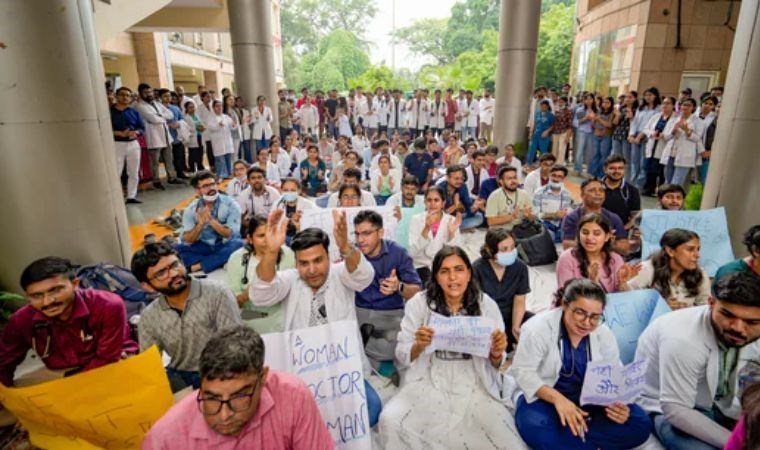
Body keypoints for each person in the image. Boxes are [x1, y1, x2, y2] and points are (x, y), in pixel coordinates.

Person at [377, 246, 526, 449]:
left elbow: (496, 363)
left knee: (501, 438)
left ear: (469, 273)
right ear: (436, 276)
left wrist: (497, 352)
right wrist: (418, 346)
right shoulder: (419, 305)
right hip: (430, 379)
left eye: (459, 269)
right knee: (391, 420)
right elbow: (402, 355)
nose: (453, 278)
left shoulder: (486, 305)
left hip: (474, 381)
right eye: (444, 271)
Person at [249, 210, 383, 424]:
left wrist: (347, 247)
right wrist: (271, 252)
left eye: (318, 260)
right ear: (296, 264)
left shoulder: (340, 273)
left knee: (372, 410)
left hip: (343, 371)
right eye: (304, 263)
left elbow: (364, 276)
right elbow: (260, 294)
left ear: (328, 257)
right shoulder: (291, 280)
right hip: (302, 373)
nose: (312, 270)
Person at [510, 279, 653, 450]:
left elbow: (612, 374)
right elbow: (523, 373)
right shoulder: (537, 329)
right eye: (580, 313)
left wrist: (618, 405)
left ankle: (576, 438)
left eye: (595, 317)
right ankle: (578, 438)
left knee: (640, 423)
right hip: (545, 399)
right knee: (537, 425)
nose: (587, 323)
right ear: (564, 304)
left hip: (588, 400)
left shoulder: (603, 333)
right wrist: (559, 400)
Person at [141, 326, 333, 449]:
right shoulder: (165, 438)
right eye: (212, 398)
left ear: (263, 377)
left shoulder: (292, 396)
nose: (224, 415)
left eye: (238, 397)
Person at [635, 272, 760, 450]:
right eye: (728, 315)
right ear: (711, 303)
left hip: (720, 405)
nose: (738, 328)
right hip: (669, 410)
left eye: (752, 322)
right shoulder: (681, 338)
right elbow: (676, 410)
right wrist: (739, 444)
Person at [0, 257, 138, 387]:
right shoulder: (22, 320)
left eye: (55, 290)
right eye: (37, 296)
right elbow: (4, 361)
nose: (48, 301)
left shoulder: (107, 305)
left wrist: (71, 388)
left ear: (75, 284)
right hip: (62, 372)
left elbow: (107, 358)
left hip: (111, 363)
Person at [132, 242, 241, 390]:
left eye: (175, 265)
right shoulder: (149, 316)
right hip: (180, 376)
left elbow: (234, 347)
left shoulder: (217, 293)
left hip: (222, 371)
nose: (174, 273)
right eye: (161, 273)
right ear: (147, 286)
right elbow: (151, 365)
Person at [353, 211, 422, 369]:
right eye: (357, 234)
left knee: (400, 346)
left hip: (390, 313)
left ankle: (371, 354)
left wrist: (398, 287)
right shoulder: (352, 253)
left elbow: (417, 291)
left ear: (381, 232)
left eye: (366, 233)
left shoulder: (397, 253)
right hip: (358, 311)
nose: (360, 240)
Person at [226, 216, 293, 334]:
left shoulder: (287, 254)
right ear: (250, 239)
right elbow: (231, 303)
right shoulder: (237, 259)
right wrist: (246, 295)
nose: (267, 240)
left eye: (269, 234)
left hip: (281, 311)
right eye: (261, 236)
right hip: (251, 314)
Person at [623, 228, 711, 308]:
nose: (697, 255)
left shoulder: (700, 274)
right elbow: (627, 302)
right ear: (670, 251)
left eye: (698, 249)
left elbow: (704, 308)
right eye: (690, 249)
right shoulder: (647, 269)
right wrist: (659, 307)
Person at [473, 228, 530, 348]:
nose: (510, 252)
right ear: (490, 250)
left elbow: (520, 300)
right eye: (504, 249)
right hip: (486, 319)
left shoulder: (520, 268)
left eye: (512, 247)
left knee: (534, 325)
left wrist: (516, 327)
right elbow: (474, 305)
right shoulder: (477, 269)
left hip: (511, 315)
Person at [177, 171, 244, 274]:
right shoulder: (191, 209)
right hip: (203, 246)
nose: (211, 188)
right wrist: (200, 225)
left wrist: (211, 221)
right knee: (176, 250)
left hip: (225, 244)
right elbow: (188, 240)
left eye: (213, 184)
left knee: (240, 244)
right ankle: (220, 260)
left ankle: (197, 266)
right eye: (205, 186)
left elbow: (231, 234)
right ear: (197, 191)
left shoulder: (231, 204)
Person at [557, 213, 640, 294]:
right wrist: (592, 286)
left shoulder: (616, 259)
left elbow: (619, 300)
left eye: (596, 233)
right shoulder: (567, 258)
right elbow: (566, 297)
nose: (589, 237)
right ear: (579, 234)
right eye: (585, 232)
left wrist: (623, 284)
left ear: (607, 236)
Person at [409, 186, 462, 284]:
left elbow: (456, 254)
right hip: (421, 265)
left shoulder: (451, 221)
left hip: (443, 266)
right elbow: (412, 252)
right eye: (429, 200)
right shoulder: (416, 219)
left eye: (436, 200)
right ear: (425, 202)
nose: (432, 204)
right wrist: (426, 228)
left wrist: (451, 235)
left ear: (443, 203)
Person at [561, 178, 628, 253]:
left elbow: (624, 247)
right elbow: (567, 245)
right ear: (582, 195)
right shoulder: (572, 217)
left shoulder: (614, 218)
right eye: (592, 190)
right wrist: (604, 242)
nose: (598, 193)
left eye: (601, 190)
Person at [134, 83, 180, 189]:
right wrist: (161, 117)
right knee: (154, 161)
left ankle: (172, 177)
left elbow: (170, 114)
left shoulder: (156, 103)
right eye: (145, 92)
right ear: (140, 93)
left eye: (150, 92)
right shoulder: (140, 106)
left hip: (165, 135)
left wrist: (160, 116)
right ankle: (156, 180)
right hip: (154, 137)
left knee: (169, 158)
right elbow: (153, 119)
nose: (149, 94)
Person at [110, 86, 145, 204]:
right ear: (116, 96)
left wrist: (136, 132)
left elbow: (142, 127)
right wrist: (118, 133)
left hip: (133, 144)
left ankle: (131, 196)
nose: (125, 97)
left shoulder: (134, 112)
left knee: (134, 171)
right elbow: (105, 128)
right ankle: (116, 197)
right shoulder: (110, 112)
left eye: (127, 95)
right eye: (122, 94)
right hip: (117, 144)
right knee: (116, 171)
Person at [660, 98, 704, 187]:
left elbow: (697, 138)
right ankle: (666, 199)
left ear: (693, 108)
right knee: (667, 180)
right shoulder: (673, 119)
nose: (685, 107)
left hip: (685, 156)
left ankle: (673, 199)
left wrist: (686, 130)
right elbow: (665, 136)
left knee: (677, 182)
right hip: (670, 154)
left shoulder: (698, 121)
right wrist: (673, 130)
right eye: (684, 105)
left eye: (689, 105)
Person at [642, 96, 678, 196]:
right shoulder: (656, 116)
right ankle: (649, 189)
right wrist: (652, 133)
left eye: (668, 103)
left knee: (661, 171)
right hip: (653, 144)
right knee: (650, 169)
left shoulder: (675, 118)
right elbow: (645, 128)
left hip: (664, 146)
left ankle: (662, 191)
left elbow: (673, 133)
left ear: (673, 106)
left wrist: (664, 135)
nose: (665, 105)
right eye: (664, 103)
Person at [532, 165, 574, 242]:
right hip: (543, 226)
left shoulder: (567, 194)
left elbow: (567, 213)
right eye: (553, 175)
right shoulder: (539, 192)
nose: (556, 179)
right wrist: (554, 215)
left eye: (559, 176)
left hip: (560, 227)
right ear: (549, 175)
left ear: (563, 179)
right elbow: (535, 214)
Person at [629, 87, 661, 187]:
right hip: (636, 135)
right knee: (634, 162)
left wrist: (640, 136)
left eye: (650, 95)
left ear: (655, 96)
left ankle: (639, 185)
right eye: (646, 95)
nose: (648, 97)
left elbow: (651, 125)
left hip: (647, 136)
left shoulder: (658, 110)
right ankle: (632, 184)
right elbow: (635, 122)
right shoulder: (641, 108)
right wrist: (631, 134)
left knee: (644, 163)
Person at [485, 165, 534, 231]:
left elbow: (532, 219)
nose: (513, 181)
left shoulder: (524, 194)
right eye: (509, 178)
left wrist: (529, 215)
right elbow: (490, 221)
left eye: (515, 178)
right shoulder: (494, 196)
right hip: (501, 231)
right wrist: (511, 217)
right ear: (501, 182)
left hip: (520, 229)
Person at [438, 164, 485, 231]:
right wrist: (455, 205)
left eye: (461, 179)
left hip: (457, 216)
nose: (460, 181)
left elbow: (468, 207)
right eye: (456, 178)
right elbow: (440, 214)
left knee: (479, 216)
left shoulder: (463, 186)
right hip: (443, 219)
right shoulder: (439, 189)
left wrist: (475, 206)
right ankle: (454, 229)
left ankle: (454, 228)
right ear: (447, 178)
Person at [602, 154, 641, 227]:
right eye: (612, 168)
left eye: (620, 168)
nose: (617, 171)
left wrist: (622, 231)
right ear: (605, 169)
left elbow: (635, 217)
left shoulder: (632, 191)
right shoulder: (595, 187)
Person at [274, 177, 316, 244]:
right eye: (286, 190)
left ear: (299, 191)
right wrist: (290, 222)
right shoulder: (277, 204)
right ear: (281, 191)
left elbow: (312, 228)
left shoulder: (308, 205)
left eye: (293, 190)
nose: (289, 192)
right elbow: (275, 226)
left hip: (303, 238)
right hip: (282, 237)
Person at [206, 100, 237, 179]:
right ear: (213, 107)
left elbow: (232, 127)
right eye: (217, 106)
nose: (219, 108)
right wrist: (218, 125)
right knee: (220, 159)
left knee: (228, 157)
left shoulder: (225, 116)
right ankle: (221, 175)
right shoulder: (210, 117)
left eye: (221, 106)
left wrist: (234, 124)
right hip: (218, 141)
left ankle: (229, 173)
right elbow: (210, 128)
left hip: (227, 140)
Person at [587, 96, 614, 178]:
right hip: (596, 135)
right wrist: (592, 119)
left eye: (607, 102)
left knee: (604, 156)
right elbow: (593, 124)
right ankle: (593, 173)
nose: (605, 104)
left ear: (611, 104)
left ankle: (601, 175)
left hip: (606, 136)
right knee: (594, 155)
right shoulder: (599, 111)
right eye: (604, 102)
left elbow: (609, 125)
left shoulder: (613, 113)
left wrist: (599, 119)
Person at [573, 93, 597, 176]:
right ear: (584, 100)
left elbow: (596, 124)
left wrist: (593, 120)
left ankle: (589, 170)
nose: (589, 101)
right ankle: (577, 169)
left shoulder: (597, 110)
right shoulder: (580, 110)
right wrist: (586, 118)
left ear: (593, 100)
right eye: (587, 99)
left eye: (591, 99)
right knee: (579, 151)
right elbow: (576, 122)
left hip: (592, 132)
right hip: (582, 132)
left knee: (590, 152)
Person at [528, 100, 555, 164]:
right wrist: (531, 132)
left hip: (544, 136)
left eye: (544, 107)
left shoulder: (551, 115)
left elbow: (553, 126)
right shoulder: (537, 113)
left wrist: (547, 131)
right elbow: (534, 123)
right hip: (536, 134)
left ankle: (543, 164)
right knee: (531, 149)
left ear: (547, 107)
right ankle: (529, 163)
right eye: (542, 106)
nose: (543, 108)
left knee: (543, 151)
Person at [183, 100, 206, 173]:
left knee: (200, 152)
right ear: (186, 109)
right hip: (192, 137)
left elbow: (201, 123)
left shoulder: (196, 115)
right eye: (190, 107)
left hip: (200, 136)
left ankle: (200, 166)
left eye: (193, 107)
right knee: (193, 153)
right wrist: (196, 128)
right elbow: (186, 128)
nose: (192, 109)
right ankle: (192, 168)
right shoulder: (186, 118)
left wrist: (202, 127)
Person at [551, 96, 573, 165]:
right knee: (554, 149)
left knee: (561, 150)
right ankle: (553, 164)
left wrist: (568, 137)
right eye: (559, 101)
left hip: (564, 132)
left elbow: (570, 125)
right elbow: (553, 122)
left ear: (565, 102)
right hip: (555, 132)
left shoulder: (568, 110)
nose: (560, 102)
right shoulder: (556, 110)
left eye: (561, 101)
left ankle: (559, 165)